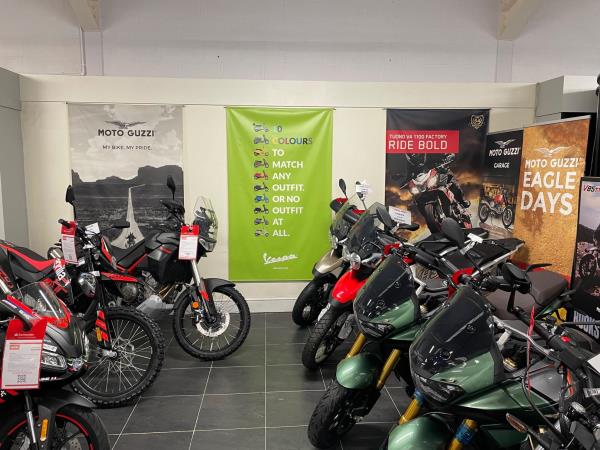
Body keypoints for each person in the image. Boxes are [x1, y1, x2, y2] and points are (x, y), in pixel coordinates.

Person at [404, 153, 470, 208]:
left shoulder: (432, 151)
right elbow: (409, 176)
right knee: (417, 198)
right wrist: (405, 183)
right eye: (412, 155)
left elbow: (445, 154)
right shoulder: (410, 164)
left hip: (440, 171)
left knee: (451, 179)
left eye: (415, 154)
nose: (414, 156)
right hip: (425, 180)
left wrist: (448, 157)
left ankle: (462, 200)